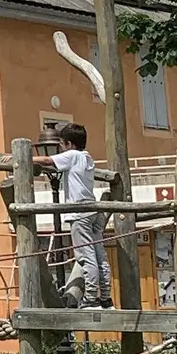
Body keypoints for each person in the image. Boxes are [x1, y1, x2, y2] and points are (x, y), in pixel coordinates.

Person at [35, 122, 110, 308]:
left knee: (86, 256)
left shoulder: (73, 155)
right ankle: (106, 296)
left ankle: (91, 298)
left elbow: (47, 161)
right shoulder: (87, 157)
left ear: (68, 144)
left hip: (80, 213)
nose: (60, 148)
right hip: (92, 210)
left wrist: (17, 157)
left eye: (61, 144)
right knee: (99, 255)